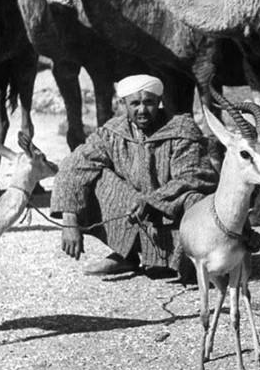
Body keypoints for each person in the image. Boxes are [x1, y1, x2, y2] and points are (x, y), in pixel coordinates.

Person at [52, 74, 218, 277]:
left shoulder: (181, 130)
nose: (142, 110)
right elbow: (73, 165)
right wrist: (70, 221)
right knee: (92, 176)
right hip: (132, 213)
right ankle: (126, 255)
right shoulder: (113, 132)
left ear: (159, 102)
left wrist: (152, 201)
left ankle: (189, 262)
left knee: (195, 199)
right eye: (135, 103)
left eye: (148, 102)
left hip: (168, 214)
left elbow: (194, 177)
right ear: (123, 104)